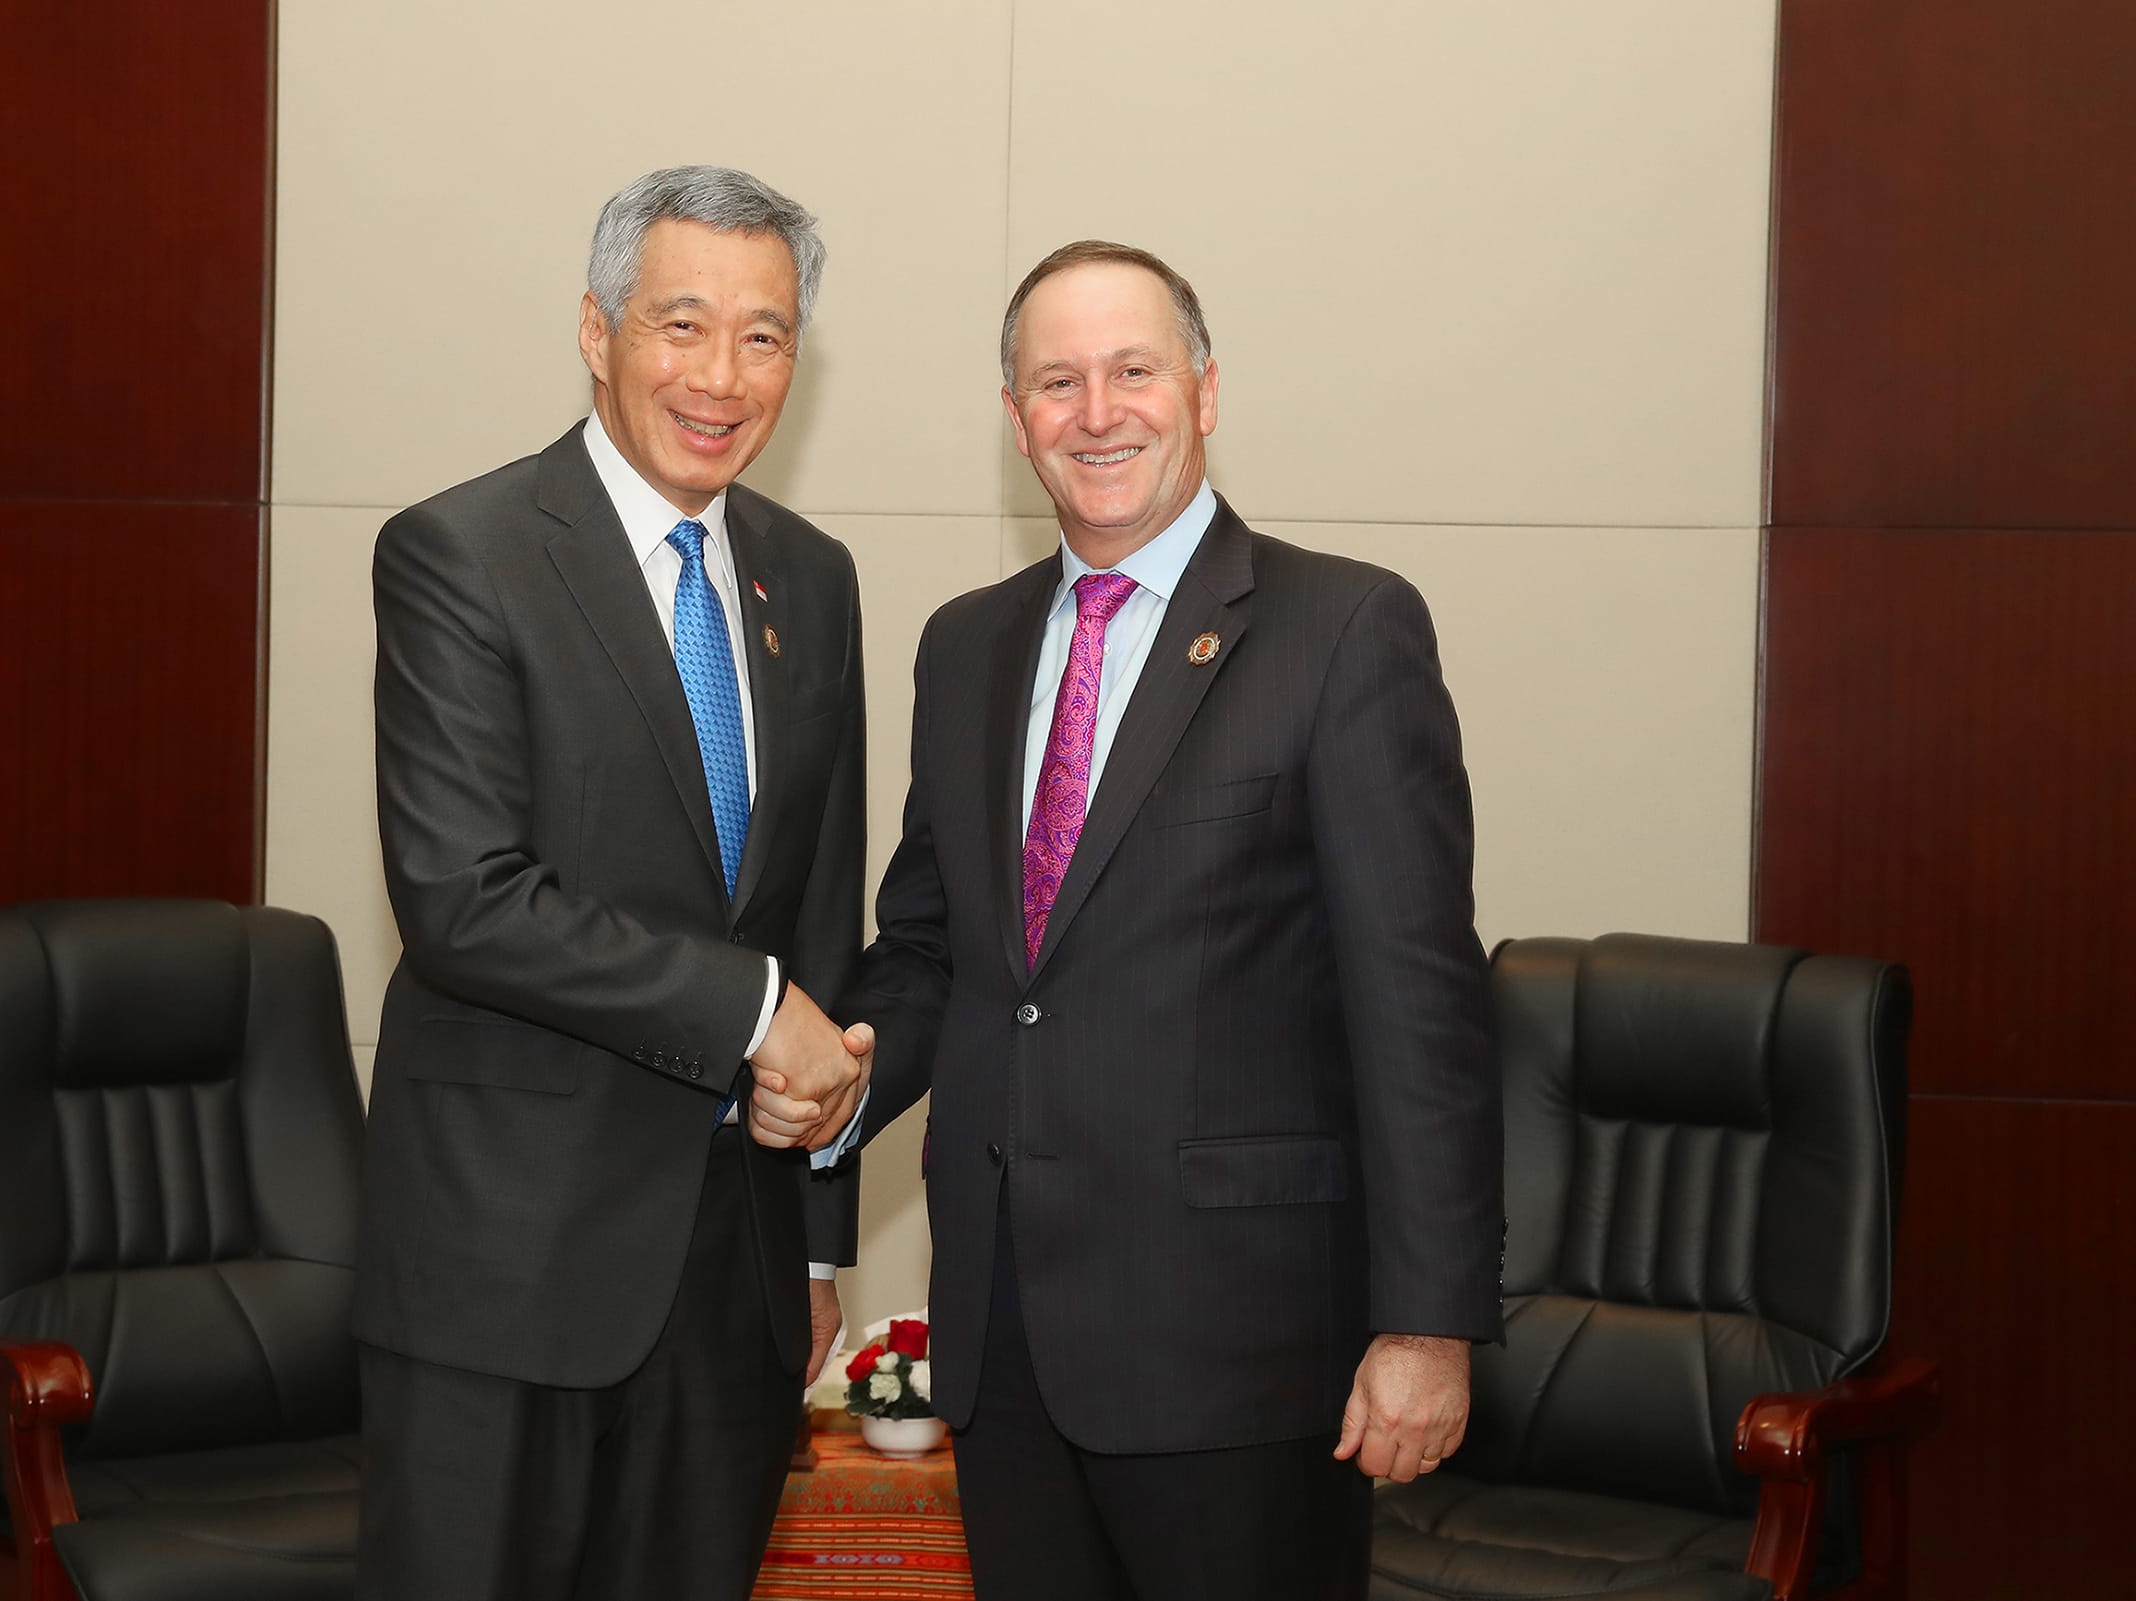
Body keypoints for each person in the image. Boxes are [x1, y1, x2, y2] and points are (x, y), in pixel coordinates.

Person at [773, 240, 1504, 1598]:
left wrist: (1428, 1321)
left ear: (1205, 391)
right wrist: (829, 1072)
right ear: (1016, 419)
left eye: (1132, 370)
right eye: (1057, 381)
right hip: (1005, 1343)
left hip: (1239, 1348)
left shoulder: (1343, 631)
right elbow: (936, 951)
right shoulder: (966, 646)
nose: (1096, 410)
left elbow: (1422, 1004)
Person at [353, 165, 872, 1601]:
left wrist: (821, 1233)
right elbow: (464, 895)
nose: (722, 375)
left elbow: (816, 913)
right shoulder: (465, 554)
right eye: (682, 323)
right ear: (597, 330)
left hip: (739, 1286)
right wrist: (755, 1010)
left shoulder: (811, 580)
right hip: (505, 1270)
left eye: (764, 336)